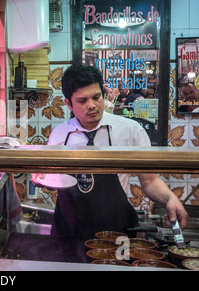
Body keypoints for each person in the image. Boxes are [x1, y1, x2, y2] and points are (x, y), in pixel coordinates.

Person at [31, 64, 188, 238]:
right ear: (68, 104)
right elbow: (55, 180)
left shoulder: (131, 130)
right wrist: (41, 178)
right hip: (69, 230)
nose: (91, 105)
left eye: (96, 97)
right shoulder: (58, 135)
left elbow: (150, 181)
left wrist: (170, 199)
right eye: (82, 101)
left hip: (114, 230)